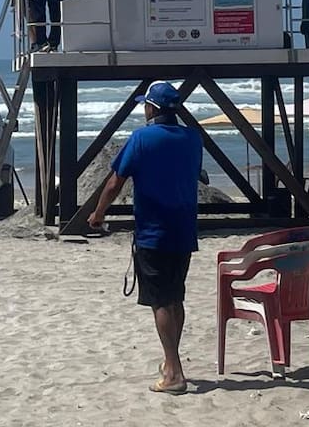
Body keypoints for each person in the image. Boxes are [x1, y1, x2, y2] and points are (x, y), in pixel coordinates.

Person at [89, 81, 202, 395]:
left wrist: (98, 214)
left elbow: (115, 182)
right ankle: (171, 364)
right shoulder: (193, 138)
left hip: (154, 231)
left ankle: (175, 372)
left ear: (151, 108)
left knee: (161, 302)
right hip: (184, 229)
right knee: (175, 298)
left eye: (145, 105)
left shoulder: (142, 139)